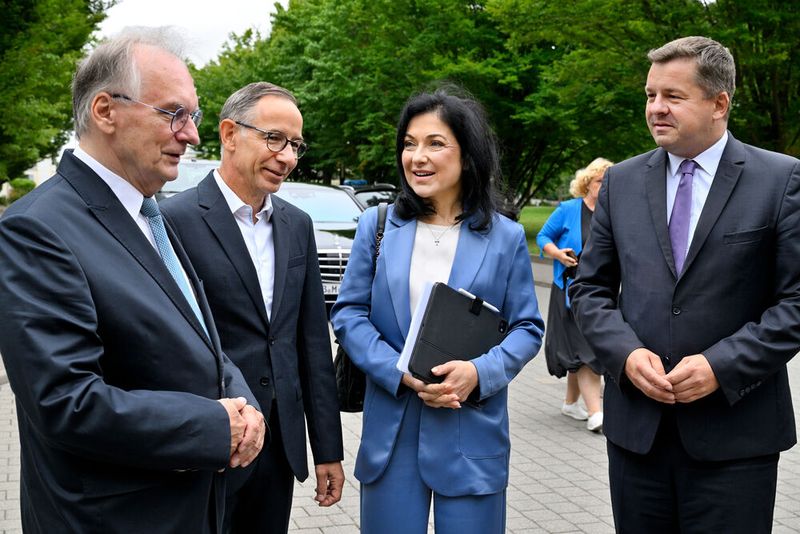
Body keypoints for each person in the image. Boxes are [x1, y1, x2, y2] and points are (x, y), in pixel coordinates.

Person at [0, 28, 266, 533]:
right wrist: (216, 426)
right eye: (173, 114)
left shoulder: (149, 214)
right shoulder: (37, 229)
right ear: (105, 111)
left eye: (194, 116)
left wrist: (243, 403)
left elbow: (198, 337)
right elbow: (66, 402)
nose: (191, 135)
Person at [570, 36, 800, 533]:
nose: (656, 108)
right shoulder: (622, 183)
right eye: (650, 95)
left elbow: (796, 302)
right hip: (637, 436)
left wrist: (722, 365)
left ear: (720, 103)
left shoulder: (780, 180)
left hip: (736, 437)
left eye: (673, 96)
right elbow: (590, 289)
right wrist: (626, 356)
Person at [330, 88, 544, 534]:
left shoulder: (503, 236)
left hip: (470, 430)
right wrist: (396, 369)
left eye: (434, 143)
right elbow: (349, 314)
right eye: (409, 143)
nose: (417, 157)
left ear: (467, 155)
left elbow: (526, 327)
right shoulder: (379, 224)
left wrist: (478, 373)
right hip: (393, 430)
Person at [161, 82, 345, 533]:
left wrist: (327, 449)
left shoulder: (297, 225)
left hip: (278, 447)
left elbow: (312, 344)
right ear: (228, 133)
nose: (286, 157)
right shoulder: (171, 221)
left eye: (295, 145)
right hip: (210, 444)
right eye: (274, 138)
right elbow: (166, 346)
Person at [537, 157, 612, 433]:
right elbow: (544, 237)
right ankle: (596, 413)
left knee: (582, 347)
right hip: (569, 289)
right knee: (586, 349)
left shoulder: (612, 212)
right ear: (587, 184)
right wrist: (557, 254)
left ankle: (571, 403)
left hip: (601, 290)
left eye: (608, 182)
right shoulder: (568, 209)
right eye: (599, 181)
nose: (604, 187)